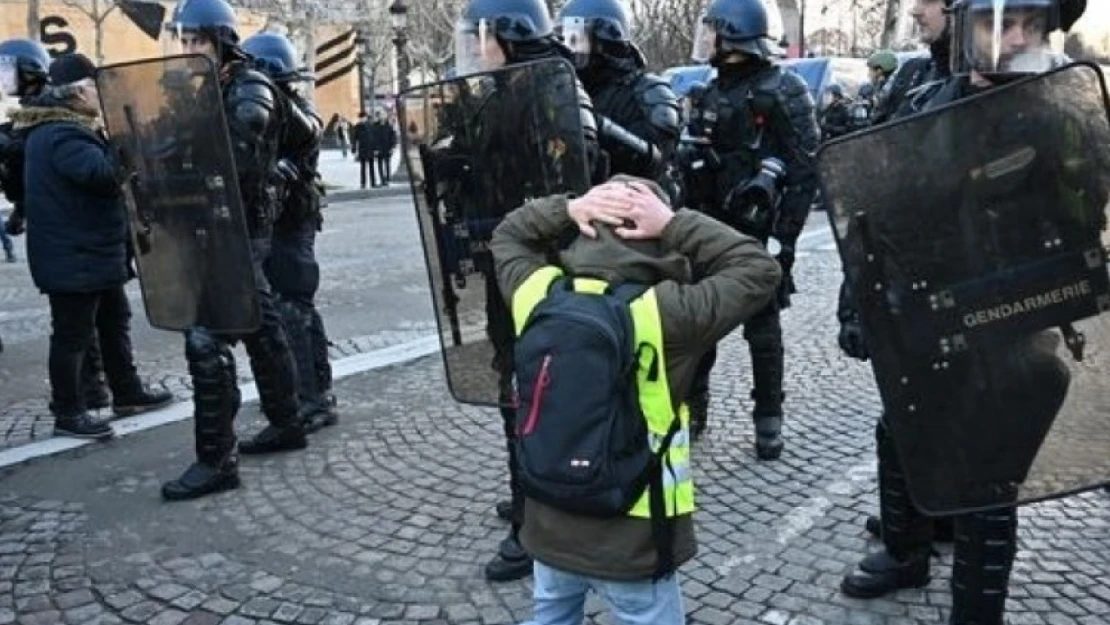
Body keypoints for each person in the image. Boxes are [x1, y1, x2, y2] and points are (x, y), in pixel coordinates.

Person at [836, 1, 1090, 622]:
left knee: (988, 480)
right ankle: (907, 552)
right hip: (926, 314)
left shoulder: (1060, 112)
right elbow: (873, 212)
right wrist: (858, 307)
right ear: (965, 27)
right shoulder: (925, 102)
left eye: (1028, 25)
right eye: (996, 23)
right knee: (900, 430)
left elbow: (1086, 227)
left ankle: (977, 614)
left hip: (1012, 323)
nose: (1012, 39)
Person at [492, 176, 780, 625]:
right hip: (631, 537)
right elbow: (759, 268)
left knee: (550, 614)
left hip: (548, 522)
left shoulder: (535, 294)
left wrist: (568, 208)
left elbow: (509, 233)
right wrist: (674, 223)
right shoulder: (669, 313)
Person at [451, 0, 603, 582]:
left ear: (508, 36)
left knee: (539, 389)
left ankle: (539, 521)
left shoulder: (554, 93)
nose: (476, 46)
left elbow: (571, 188)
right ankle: (529, 498)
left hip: (544, 272)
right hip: (507, 264)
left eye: (481, 35)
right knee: (516, 384)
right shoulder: (504, 90)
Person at [159, 0, 308, 501]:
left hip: (236, 225)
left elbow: (235, 158)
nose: (185, 49)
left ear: (219, 41)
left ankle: (216, 459)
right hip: (213, 225)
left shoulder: (248, 87)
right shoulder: (205, 87)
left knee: (206, 338)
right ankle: (287, 419)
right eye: (180, 40)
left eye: (194, 40)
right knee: (261, 324)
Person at [680, 0, 821, 453]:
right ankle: (693, 407)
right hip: (707, 227)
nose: (708, 42)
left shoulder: (783, 88)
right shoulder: (707, 91)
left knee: (763, 331)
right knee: (701, 323)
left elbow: (804, 169)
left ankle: (768, 418)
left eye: (713, 33)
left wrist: (785, 240)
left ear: (733, 35)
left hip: (756, 229)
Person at [15, 53, 173, 439]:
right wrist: (132, 147)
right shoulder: (62, 132)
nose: (100, 95)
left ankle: (127, 391)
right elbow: (102, 175)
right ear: (77, 92)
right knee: (72, 335)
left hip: (91, 252)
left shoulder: (67, 126)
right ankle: (69, 412)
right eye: (93, 88)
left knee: (114, 322)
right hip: (75, 255)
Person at [242, 31, 338, 435]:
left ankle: (311, 399)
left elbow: (291, 164)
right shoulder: (286, 110)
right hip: (285, 223)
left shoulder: (293, 117)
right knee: (297, 308)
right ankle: (314, 390)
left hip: (290, 225)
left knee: (291, 310)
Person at [556, 0, 681, 196]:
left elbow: (655, 160)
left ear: (603, 40)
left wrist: (596, 125)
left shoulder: (649, 91)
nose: (568, 48)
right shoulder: (570, 89)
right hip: (576, 202)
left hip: (637, 206)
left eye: (575, 39)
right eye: (563, 39)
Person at [350, 111, 376, 188]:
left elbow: (374, 138)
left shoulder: (371, 125)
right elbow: (354, 139)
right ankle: (363, 183)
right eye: (360, 118)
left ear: (365, 118)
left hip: (370, 148)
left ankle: (373, 182)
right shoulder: (357, 127)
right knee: (363, 167)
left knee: (371, 166)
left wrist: (375, 149)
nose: (362, 119)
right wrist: (354, 149)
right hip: (362, 148)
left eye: (363, 118)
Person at [372, 112, 395, 187]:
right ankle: (382, 179)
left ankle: (388, 179)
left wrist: (392, 147)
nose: (381, 117)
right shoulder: (375, 126)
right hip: (379, 149)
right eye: (380, 116)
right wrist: (375, 149)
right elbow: (373, 138)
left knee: (387, 164)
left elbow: (393, 137)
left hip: (387, 148)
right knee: (380, 164)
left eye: (383, 116)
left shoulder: (389, 126)